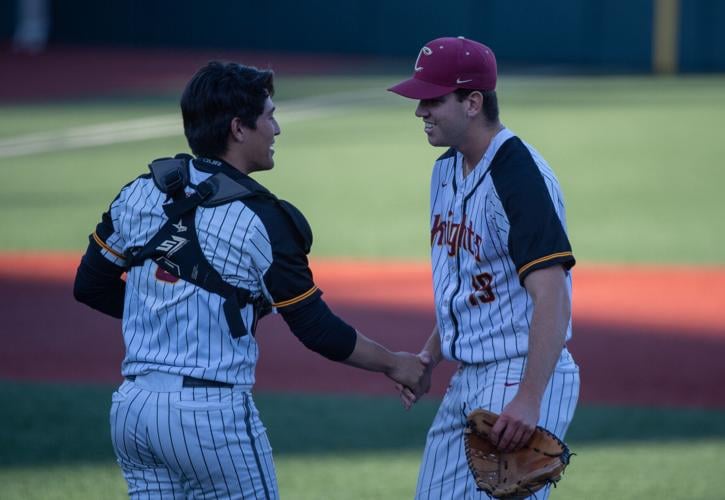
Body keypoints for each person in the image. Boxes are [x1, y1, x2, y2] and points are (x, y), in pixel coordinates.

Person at [73, 61, 427, 499]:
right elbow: (317, 329)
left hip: (132, 412)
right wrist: (396, 363)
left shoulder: (139, 192)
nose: (276, 128)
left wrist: (166, 308)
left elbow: (90, 285)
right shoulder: (263, 220)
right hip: (208, 418)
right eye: (269, 115)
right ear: (239, 129)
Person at [388, 37, 580, 499]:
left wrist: (531, 397)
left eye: (432, 100)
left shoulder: (520, 177)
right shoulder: (444, 170)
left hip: (519, 370)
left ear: (473, 102)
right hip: (469, 374)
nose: (420, 112)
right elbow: (470, 286)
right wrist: (429, 356)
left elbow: (553, 296)